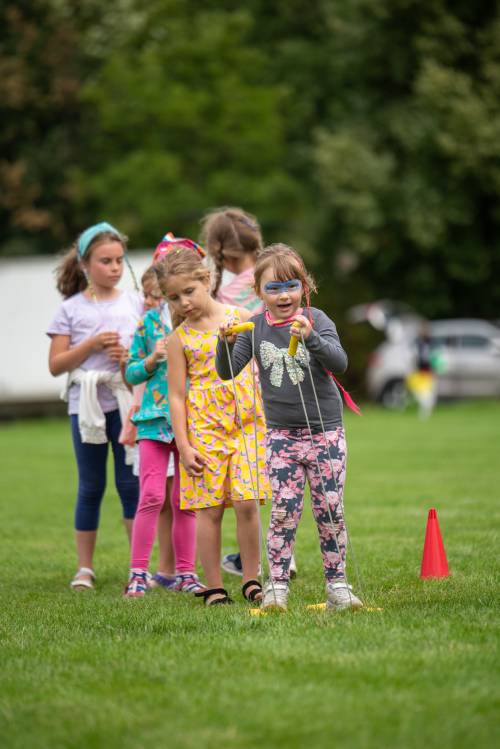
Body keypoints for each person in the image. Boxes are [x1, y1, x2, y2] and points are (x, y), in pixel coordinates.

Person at [215, 244, 363, 612]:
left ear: (304, 286)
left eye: (291, 286)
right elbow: (228, 372)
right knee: (283, 511)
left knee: (330, 510)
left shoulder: (318, 318)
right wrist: (224, 342)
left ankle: (338, 586)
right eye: (273, 288)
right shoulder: (254, 327)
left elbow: (340, 362)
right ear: (259, 292)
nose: (284, 295)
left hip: (325, 433)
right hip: (281, 436)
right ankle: (276, 587)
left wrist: (311, 336)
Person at [160, 246, 271, 606]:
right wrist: (184, 445)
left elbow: (262, 367)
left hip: (248, 425)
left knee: (246, 503)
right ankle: (213, 586)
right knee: (208, 509)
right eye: (174, 298)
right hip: (205, 430)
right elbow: (177, 396)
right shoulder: (179, 340)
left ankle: (252, 579)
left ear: (206, 280)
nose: (184, 302)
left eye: (188, 292)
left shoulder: (240, 318)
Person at [200, 207, 298, 579]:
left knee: (254, 480)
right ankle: (283, 554)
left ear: (220, 251)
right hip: (282, 378)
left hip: (246, 387)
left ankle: (262, 557)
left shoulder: (228, 292)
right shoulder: (275, 276)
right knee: (278, 474)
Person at [47, 222, 142, 590]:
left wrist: (125, 357)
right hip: (85, 406)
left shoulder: (135, 302)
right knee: (90, 486)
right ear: (86, 265)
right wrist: (91, 346)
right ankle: (84, 567)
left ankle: (138, 567)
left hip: (126, 403)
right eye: (105, 261)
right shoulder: (70, 310)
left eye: (119, 260)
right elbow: (56, 364)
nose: (115, 267)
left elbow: (144, 360)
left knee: (129, 484)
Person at [123, 238, 206, 598]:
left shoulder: (201, 322)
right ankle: (138, 574)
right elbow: (130, 373)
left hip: (192, 421)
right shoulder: (147, 325)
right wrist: (152, 360)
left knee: (186, 501)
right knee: (152, 496)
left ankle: (186, 574)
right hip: (153, 422)